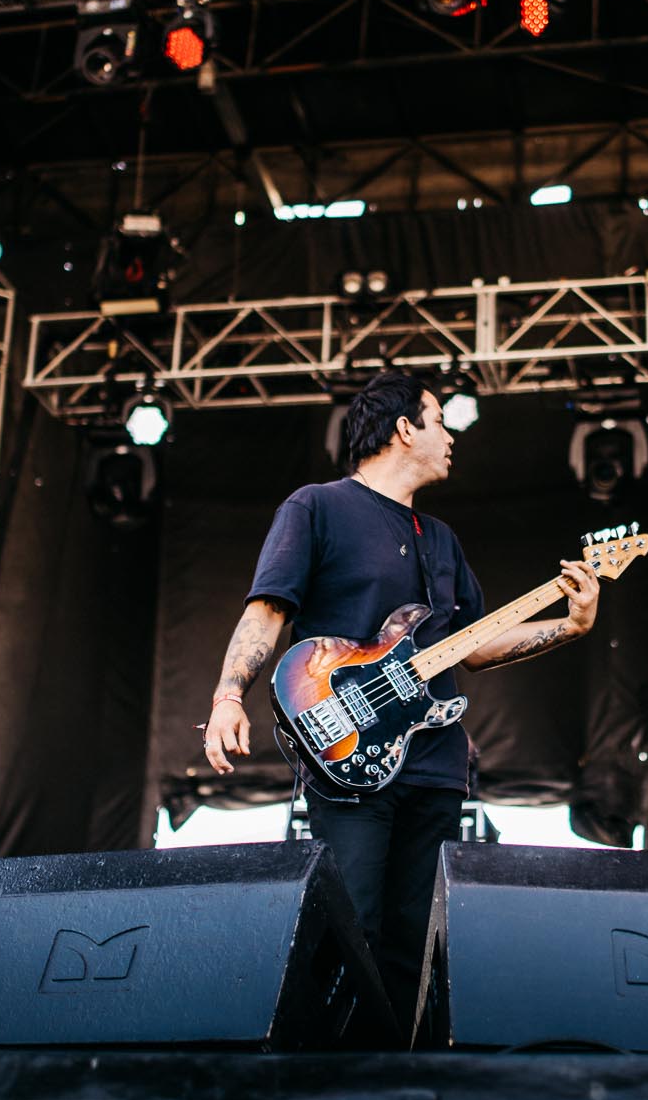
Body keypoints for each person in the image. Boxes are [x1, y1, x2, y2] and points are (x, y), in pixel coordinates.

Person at [202, 371, 601, 1027]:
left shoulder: (440, 539)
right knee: (352, 918)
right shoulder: (317, 506)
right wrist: (227, 695)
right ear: (404, 428)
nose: (451, 435)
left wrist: (573, 623)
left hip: (435, 763)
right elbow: (269, 609)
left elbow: (474, 645)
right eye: (440, 419)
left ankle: (400, 1082)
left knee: (416, 941)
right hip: (348, 752)